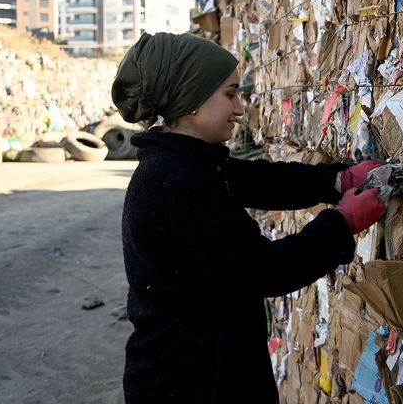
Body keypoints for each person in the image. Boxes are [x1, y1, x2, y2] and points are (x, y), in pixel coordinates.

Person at [111, 32, 385, 403]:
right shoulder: (176, 182)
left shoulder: (185, 162)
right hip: (192, 386)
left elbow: (258, 180)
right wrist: (343, 222)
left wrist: (337, 179)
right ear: (191, 98)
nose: (239, 109)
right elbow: (264, 270)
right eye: (229, 94)